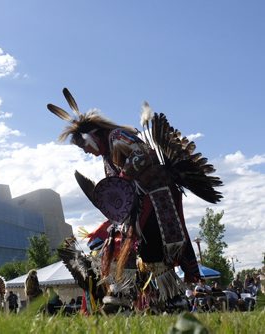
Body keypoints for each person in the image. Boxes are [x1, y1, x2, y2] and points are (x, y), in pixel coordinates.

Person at [48, 88, 222, 311]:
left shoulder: (117, 137)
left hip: (155, 197)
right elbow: (116, 188)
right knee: (121, 246)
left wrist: (125, 175)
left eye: (84, 147)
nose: (86, 152)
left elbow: (144, 153)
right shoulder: (106, 155)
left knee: (153, 250)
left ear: (91, 135)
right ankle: (122, 296)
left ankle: (172, 299)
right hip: (137, 206)